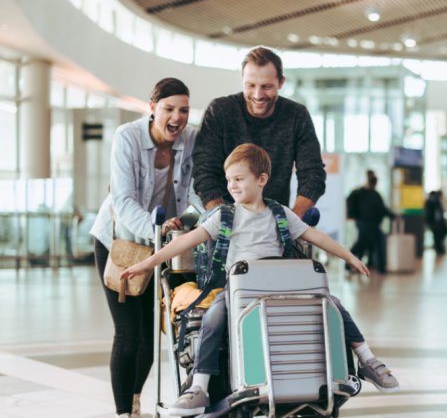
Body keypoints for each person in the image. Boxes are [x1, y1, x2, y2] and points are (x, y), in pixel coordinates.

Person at [120, 144, 400, 416]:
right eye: (229, 179)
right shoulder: (224, 216)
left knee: (334, 304)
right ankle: (200, 387)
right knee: (213, 316)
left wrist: (349, 256)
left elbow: (317, 237)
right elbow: (185, 243)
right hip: (238, 289)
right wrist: (147, 263)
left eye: (239, 179)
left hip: (280, 287)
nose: (232, 186)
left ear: (261, 180)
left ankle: (367, 360)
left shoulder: (280, 214)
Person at [90, 78, 200, 418]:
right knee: (128, 332)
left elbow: (196, 193)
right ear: (152, 108)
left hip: (160, 249)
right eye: (169, 109)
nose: (177, 117)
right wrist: (156, 231)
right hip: (119, 244)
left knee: (150, 341)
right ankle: (125, 412)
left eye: (183, 110)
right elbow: (122, 201)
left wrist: (190, 220)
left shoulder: (192, 139)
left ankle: (136, 400)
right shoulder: (128, 137)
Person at [192, 46, 325, 217]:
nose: (258, 95)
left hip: (275, 222)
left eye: (266, 86)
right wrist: (223, 220)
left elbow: (313, 173)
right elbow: (204, 171)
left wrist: (292, 222)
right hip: (223, 221)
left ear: (281, 82)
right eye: (251, 85)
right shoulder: (220, 111)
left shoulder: (297, 116)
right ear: (243, 81)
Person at [347, 170, 396, 272]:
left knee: (360, 244)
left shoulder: (360, 193)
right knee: (379, 244)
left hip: (361, 222)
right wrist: (393, 216)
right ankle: (382, 268)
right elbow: (382, 209)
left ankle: (348, 264)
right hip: (371, 224)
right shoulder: (373, 195)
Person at [424, 190, 447, 254]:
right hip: (433, 223)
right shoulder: (429, 202)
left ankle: (440, 248)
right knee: (436, 235)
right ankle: (438, 249)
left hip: (439, 222)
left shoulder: (437, 202)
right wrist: (431, 223)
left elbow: (441, 212)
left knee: (443, 232)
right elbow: (428, 214)